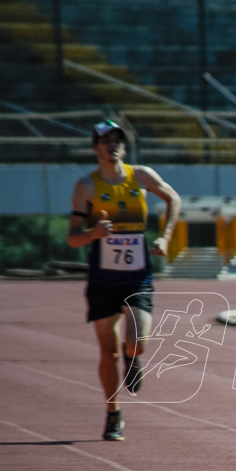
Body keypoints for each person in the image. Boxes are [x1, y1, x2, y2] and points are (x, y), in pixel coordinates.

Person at [67, 120, 181, 441]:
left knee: (137, 341)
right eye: (105, 141)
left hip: (137, 278)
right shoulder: (85, 187)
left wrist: (166, 237)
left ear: (125, 147)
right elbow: (73, 239)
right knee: (108, 354)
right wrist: (93, 233)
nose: (112, 146)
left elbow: (174, 199)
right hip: (103, 281)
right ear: (95, 148)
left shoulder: (140, 176)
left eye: (118, 140)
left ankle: (134, 358)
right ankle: (113, 414)